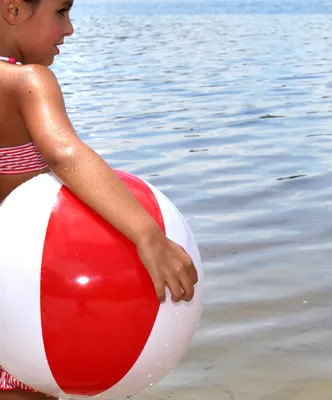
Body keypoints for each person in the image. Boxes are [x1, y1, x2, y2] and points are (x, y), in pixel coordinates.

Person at [0, 0, 200, 398]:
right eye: (60, 12)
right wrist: (148, 234)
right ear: (15, 10)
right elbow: (65, 154)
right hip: (20, 295)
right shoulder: (26, 82)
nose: (69, 29)